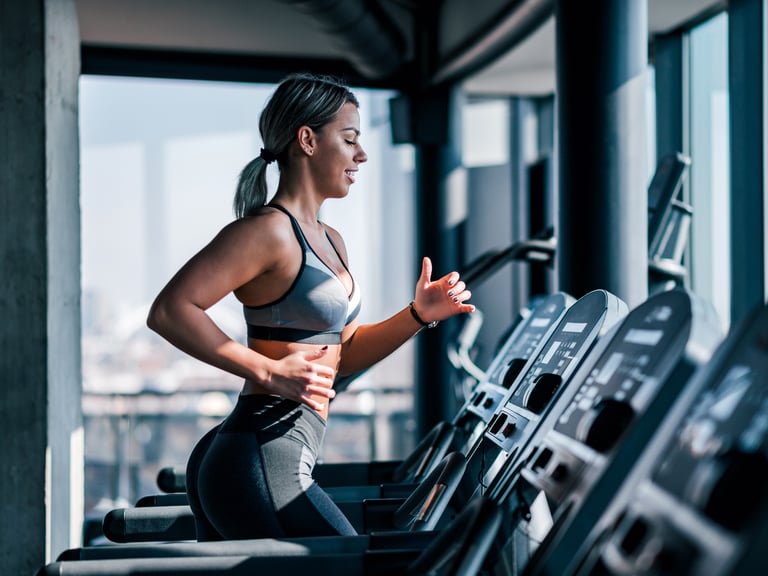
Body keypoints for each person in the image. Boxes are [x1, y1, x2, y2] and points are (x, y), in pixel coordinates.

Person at [146, 72, 475, 541]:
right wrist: (267, 370)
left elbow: (345, 355)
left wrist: (418, 315)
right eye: (349, 138)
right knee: (352, 562)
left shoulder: (331, 240)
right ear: (308, 139)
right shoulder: (266, 232)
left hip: (272, 452)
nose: (361, 154)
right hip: (261, 454)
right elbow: (170, 310)